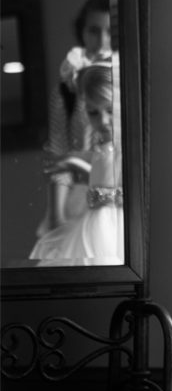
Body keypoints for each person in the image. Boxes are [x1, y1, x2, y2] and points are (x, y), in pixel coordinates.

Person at [34, 0, 112, 249]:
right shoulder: (67, 90)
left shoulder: (127, 81)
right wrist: (57, 215)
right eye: (93, 30)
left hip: (118, 203)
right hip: (77, 202)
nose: (101, 40)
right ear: (82, 31)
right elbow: (59, 152)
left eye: (110, 31)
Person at [30, 65, 123, 265]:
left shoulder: (125, 146)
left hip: (110, 225)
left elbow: (117, 186)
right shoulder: (103, 146)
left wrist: (75, 163)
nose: (103, 120)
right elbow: (103, 176)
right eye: (93, 113)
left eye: (109, 110)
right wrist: (73, 163)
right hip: (91, 221)